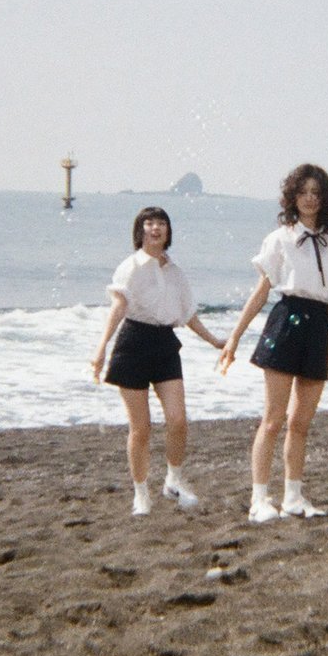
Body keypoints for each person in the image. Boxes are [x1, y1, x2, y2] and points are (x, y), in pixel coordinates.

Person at [217, 163, 328, 523]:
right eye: (303, 192)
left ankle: (294, 497)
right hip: (285, 322)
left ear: (325, 199)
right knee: (273, 419)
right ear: (292, 197)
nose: (309, 199)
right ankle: (259, 499)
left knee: (300, 423)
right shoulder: (279, 238)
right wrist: (234, 337)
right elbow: (262, 291)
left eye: (316, 193)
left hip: (318, 328)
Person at [90, 206, 223, 516]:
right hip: (133, 343)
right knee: (141, 428)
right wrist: (101, 349)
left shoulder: (176, 271)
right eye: (149, 223)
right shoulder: (130, 267)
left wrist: (215, 341)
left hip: (165, 344)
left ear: (168, 231)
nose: (155, 228)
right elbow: (118, 308)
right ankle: (140, 493)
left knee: (178, 419)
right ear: (140, 231)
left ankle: (173, 480)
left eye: (161, 223)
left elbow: (188, 315)